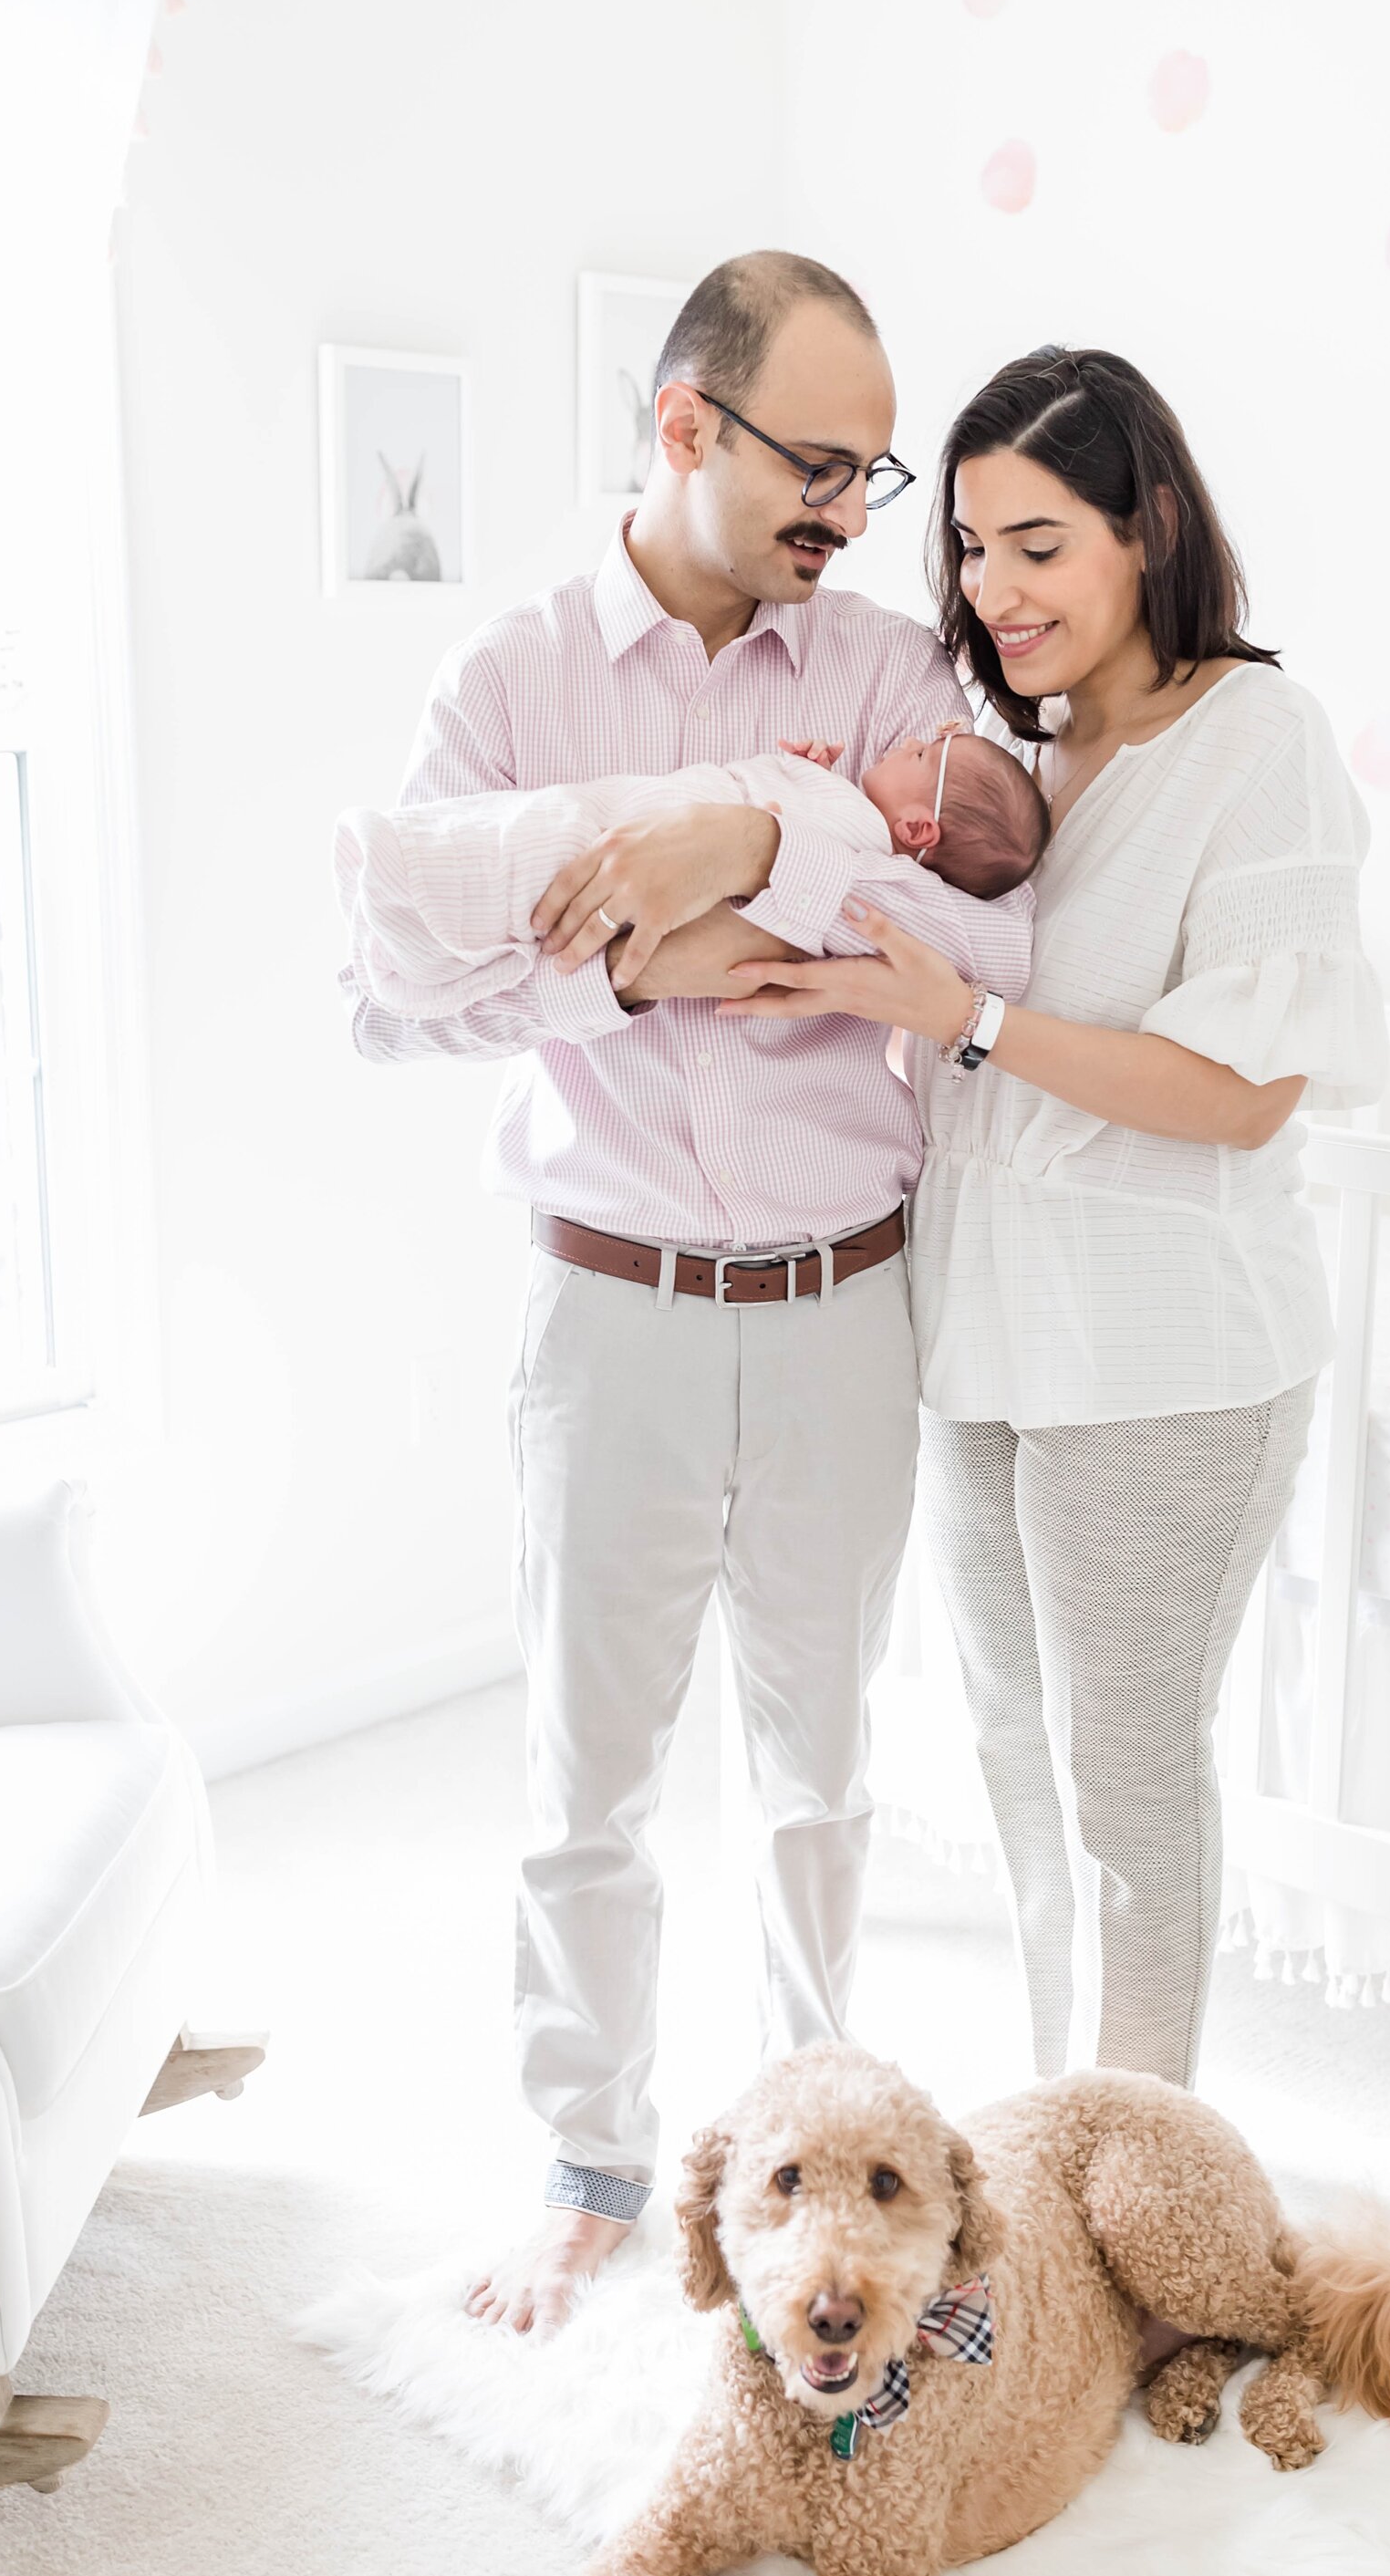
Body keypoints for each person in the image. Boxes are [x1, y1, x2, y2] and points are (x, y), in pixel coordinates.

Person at [337, 253, 1033, 2335]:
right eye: (817, 460)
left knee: (818, 1763)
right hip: (609, 1301)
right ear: (682, 428)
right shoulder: (520, 676)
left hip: (841, 1298)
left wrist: (746, 835)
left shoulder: (898, 676)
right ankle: (589, 2155)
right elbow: (389, 984)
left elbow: (987, 930)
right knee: (587, 1771)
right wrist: (619, 967)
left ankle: (813, 2141)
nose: (851, 501)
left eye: (867, 464)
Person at [722, 343, 1386, 2100]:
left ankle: (1140, 2151)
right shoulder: (1015, 759)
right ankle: (1049, 2124)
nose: (987, 589)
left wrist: (973, 1022)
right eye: (965, 546)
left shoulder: (1256, 743)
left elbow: (1244, 1092)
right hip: (989, 1340)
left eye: (1037, 544)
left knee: (1128, 1774)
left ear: (1145, 526)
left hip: (1169, 1355)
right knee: (1014, 1753)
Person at [335, 725, 1048, 1023]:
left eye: (921, 756)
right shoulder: (501, 667)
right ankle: (414, 888)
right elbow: (374, 1029)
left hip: (839, 1259)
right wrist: (800, 782)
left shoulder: (862, 836)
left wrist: (759, 841)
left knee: (555, 849)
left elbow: (1004, 957)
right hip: (595, 1254)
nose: (908, 740)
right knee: (550, 831)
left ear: (920, 829)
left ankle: (413, 888)